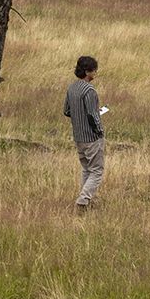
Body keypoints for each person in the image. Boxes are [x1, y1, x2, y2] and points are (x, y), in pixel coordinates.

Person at [64, 55, 106, 209]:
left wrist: (79, 115)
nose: (95, 73)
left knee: (86, 168)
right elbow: (93, 115)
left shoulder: (72, 88)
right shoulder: (90, 90)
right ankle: (83, 200)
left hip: (78, 136)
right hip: (91, 137)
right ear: (88, 72)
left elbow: (67, 111)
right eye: (94, 70)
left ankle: (85, 199)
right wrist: (100, 131)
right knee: (97, 171)